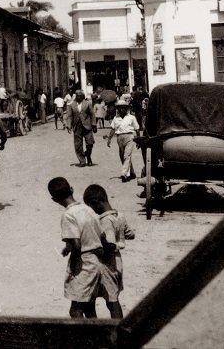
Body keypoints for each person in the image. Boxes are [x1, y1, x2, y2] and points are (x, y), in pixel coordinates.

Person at [47, 177, 105, 319]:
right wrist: (69, 246)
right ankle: (96, 337)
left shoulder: (68, 215)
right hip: (96, 262)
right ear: (71, 189)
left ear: (54, 199)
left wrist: (74, 264)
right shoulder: (88, 209)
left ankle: (81, 339)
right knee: (89, 307)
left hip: (83, 264)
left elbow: (77, 244)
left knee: (75, 309)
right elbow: (99, 234)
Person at [83, 184, 135, 319]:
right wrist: (122, 237)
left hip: (107, 265)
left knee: (104, 301)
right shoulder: (120, 216)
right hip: (117, 263)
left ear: (96, 204)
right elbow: (131, 234)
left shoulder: (105, 221)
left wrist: (101, 242)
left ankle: (106, 329)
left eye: (91, 207)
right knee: (113, 298)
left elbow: (110, 246)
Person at [107, 100, 140, 182]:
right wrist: (109, 139)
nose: (121, 110)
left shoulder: (131, 117)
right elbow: (112, 129)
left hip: (129, 137)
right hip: (119, 138)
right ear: (117, 109)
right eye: (119, 108)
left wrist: (139, 140)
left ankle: (124, 174)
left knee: (127, 155)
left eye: (123, 108)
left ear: (126, 108)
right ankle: (132, 173)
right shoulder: (116, 118)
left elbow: (137, 129)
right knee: (122, 156)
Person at [68, 90, 97, 166]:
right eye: (77, 95)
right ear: (76, 96)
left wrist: (94, 125)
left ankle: (88, 155)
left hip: (87, 126)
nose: (79, 97)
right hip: (77, 127)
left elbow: (92, 115)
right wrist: (69, 126)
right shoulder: (71, 105)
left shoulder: (87, 104)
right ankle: (82, 161)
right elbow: (70, 117)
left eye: (80, 95)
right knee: (78, 145)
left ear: (83, 96)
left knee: (90, 143)